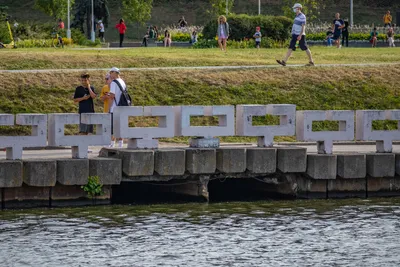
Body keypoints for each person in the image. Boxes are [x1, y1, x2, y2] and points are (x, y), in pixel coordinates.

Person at [108, 67, 127, 148]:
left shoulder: (114, 83)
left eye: (110, 73)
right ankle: (120, 144)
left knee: (112, 127)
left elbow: (112, 96)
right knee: (120, 126)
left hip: (115, 108)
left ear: (114, 73)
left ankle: (111, 144)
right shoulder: (122, 82)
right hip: (122, 107)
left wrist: (109, 107)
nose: (110, 74)